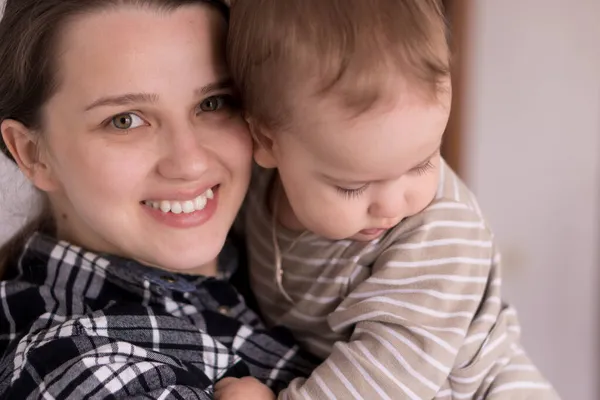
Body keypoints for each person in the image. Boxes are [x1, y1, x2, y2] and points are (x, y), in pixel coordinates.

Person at [225, 0, 560, 398]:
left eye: (421, 163)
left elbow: (388, 378)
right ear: (266, 142)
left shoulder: (441, 234)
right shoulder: (255, 189)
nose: (392, 205)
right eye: (353, 186)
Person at [0, 0, 317, 398]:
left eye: (213, 102)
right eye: (125, 119)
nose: (189, 163)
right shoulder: (78, 369)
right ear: (32, 153)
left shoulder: (286, 239)